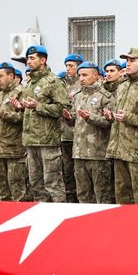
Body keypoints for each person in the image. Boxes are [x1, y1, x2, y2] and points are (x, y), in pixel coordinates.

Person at [14, 45, 70, 203]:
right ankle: (41, 213)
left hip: (47, 140)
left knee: (53, 182)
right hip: (31, 140)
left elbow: (63, 108)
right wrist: (21, 107)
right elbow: (29, 108)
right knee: (35, 183)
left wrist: (37, 106)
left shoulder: (53, 82)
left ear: (43, 60)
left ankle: (60, 215)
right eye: (28, 59)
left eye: (32, 58)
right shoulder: (31, 82)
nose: (29, 61)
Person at [103, 48, 138, 205]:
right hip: (119, 147)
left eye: (132, 60)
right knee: (121, 192)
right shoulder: (123, 85)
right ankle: (125, 227)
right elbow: (121, 113)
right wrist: (112, 115)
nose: (128, 63)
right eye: (127, 60)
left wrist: (129, 118)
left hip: (137, 150)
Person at [69, 61, 113, 204]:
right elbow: (73, 121)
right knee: (82, 193)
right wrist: (67, 118)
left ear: (95, 75)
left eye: (85, 75)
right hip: (79, 152)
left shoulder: (105, 96)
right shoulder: (77, 96)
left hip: (98, 153)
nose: (81, 78)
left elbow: (110, 123)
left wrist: (90, 118)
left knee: (101, 193)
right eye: (79, 75)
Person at [0, 62, 28, 202]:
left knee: (16, 185)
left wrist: (3, 115)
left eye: (0, 76)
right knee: (1, 185)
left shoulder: (21, 92)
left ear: (11, 76)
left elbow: (26, 118)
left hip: (13, 148)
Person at [59, 53, 83, 203]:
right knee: (66, 170)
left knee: (78, 171)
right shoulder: (61, 83)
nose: (68, 68)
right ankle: (70, 196)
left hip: (77, 135)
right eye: (66, 66)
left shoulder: (82, 84)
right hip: (64, 133)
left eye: (71, 65)